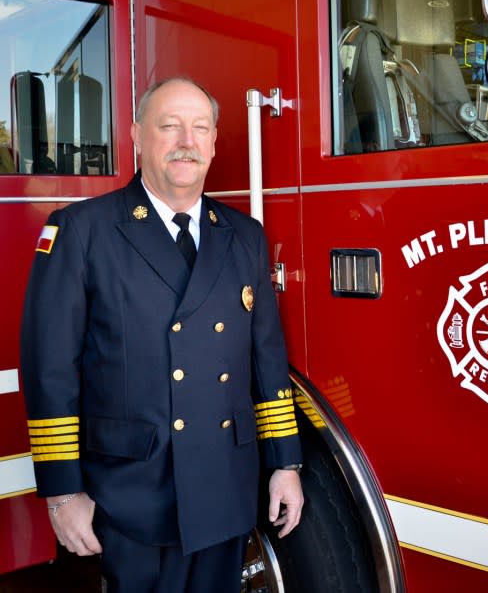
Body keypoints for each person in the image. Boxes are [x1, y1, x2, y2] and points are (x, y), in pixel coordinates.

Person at [19, 77, 304, 592]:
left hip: (224, 487)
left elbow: (266, 359)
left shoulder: (244, 236)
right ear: (137, 135)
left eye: (199, 128)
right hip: (131, 496)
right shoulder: (82, 231)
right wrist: (63, 494)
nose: (185, 141)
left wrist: (285, 463)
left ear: (215, 142)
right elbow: (50, 370)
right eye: (168, 126)